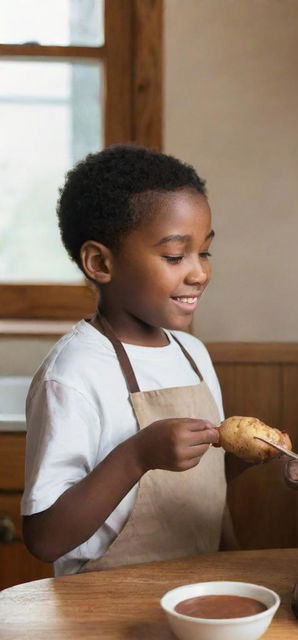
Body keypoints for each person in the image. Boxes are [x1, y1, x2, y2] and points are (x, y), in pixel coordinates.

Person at [21, 144, 250, 575]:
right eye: (174, 256)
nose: (198, 272)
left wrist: (238, 457)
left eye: (205, 252)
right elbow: (44, 537)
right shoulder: (73, 374)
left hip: (196, 592)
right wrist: (136, 456)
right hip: (104, 608)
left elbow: (202, 489)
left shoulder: (193, 354)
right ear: (99, 262)